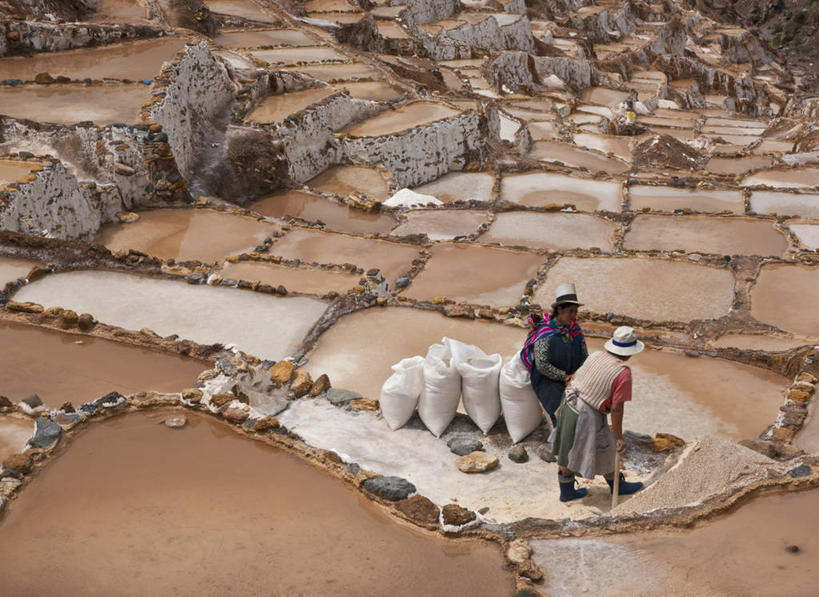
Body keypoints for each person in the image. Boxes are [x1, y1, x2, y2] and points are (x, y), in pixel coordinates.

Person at [549, 326, 645, 503]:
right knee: (608, 446)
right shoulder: (623, 373)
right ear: (630, 352)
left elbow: (574, 378)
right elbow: (617, 408)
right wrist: (618, 437)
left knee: (567, 448)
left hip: (569, 402)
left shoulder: (595, 355)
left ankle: (568, 491)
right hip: (586, 414)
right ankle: (616, 486)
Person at [520, 283, 588, 425]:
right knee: (563, 415)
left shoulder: (575, 330)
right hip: (548, 380)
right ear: (559, 309)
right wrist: (564, 377)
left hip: (574, 378)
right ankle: (561, 443)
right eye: (570, 311)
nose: (574, 315)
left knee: (586, 410)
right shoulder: (545, 333)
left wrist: (577, 375)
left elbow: (584, 356)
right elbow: (542, 364)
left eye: (575, 311)